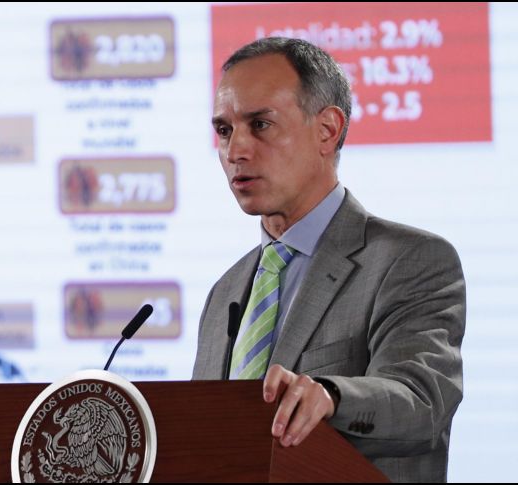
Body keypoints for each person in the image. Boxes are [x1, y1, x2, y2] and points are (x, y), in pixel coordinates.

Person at [192, 37, 465, 483]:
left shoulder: (411, 261)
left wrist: (330, 397)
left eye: (259, 124)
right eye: (224, 130)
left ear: (327, 130)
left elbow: (422, 399)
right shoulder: (225, 291)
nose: (235, 150)